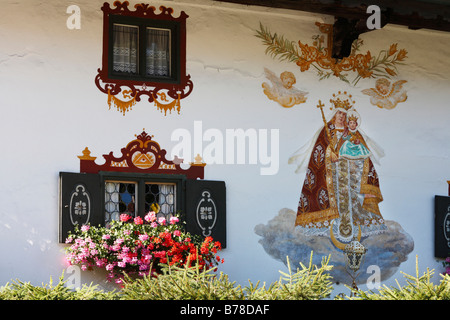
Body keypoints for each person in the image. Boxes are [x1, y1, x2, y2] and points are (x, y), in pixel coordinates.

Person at [289, 92, 386, 247]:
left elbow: (363, 153)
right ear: (334, 114)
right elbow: (318, 153)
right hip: (333, 177)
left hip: (351, 176)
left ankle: (354, 228)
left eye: (344, 114)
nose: (342, 116)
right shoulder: (326, 130)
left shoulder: (352, 132)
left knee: (353, 202)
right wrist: (330, 154)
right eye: (340, 113)